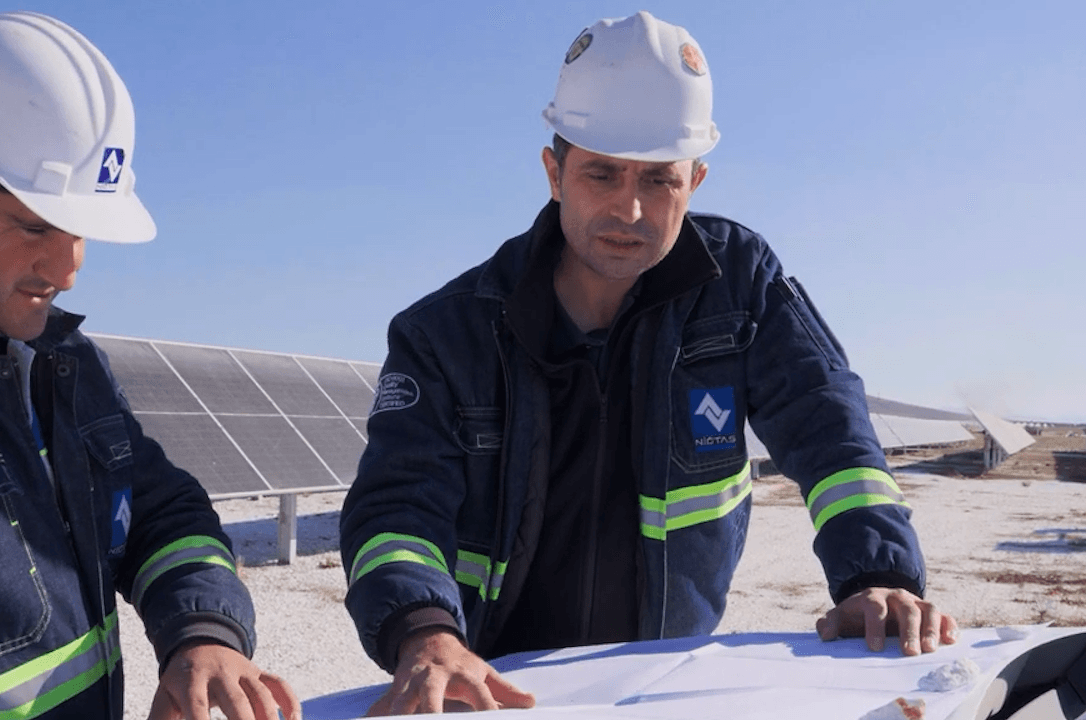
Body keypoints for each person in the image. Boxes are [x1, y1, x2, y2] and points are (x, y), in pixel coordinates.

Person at [340, 11, 957, 714]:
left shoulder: (739, 284)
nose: (628, 209)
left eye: (659, 180)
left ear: (695, 180)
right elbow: (398, 509)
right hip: (493, 688)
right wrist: (424, 632)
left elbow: (830, 428)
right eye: (601, 173)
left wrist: (874, 576)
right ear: (554, 173)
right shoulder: (446, 334)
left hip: (661, 689)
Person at [0, 12, 298, 720]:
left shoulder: (65, 365)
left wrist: (202, 631)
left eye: (80, 232)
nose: (67, 270)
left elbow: (161, 510)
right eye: (35, 226)